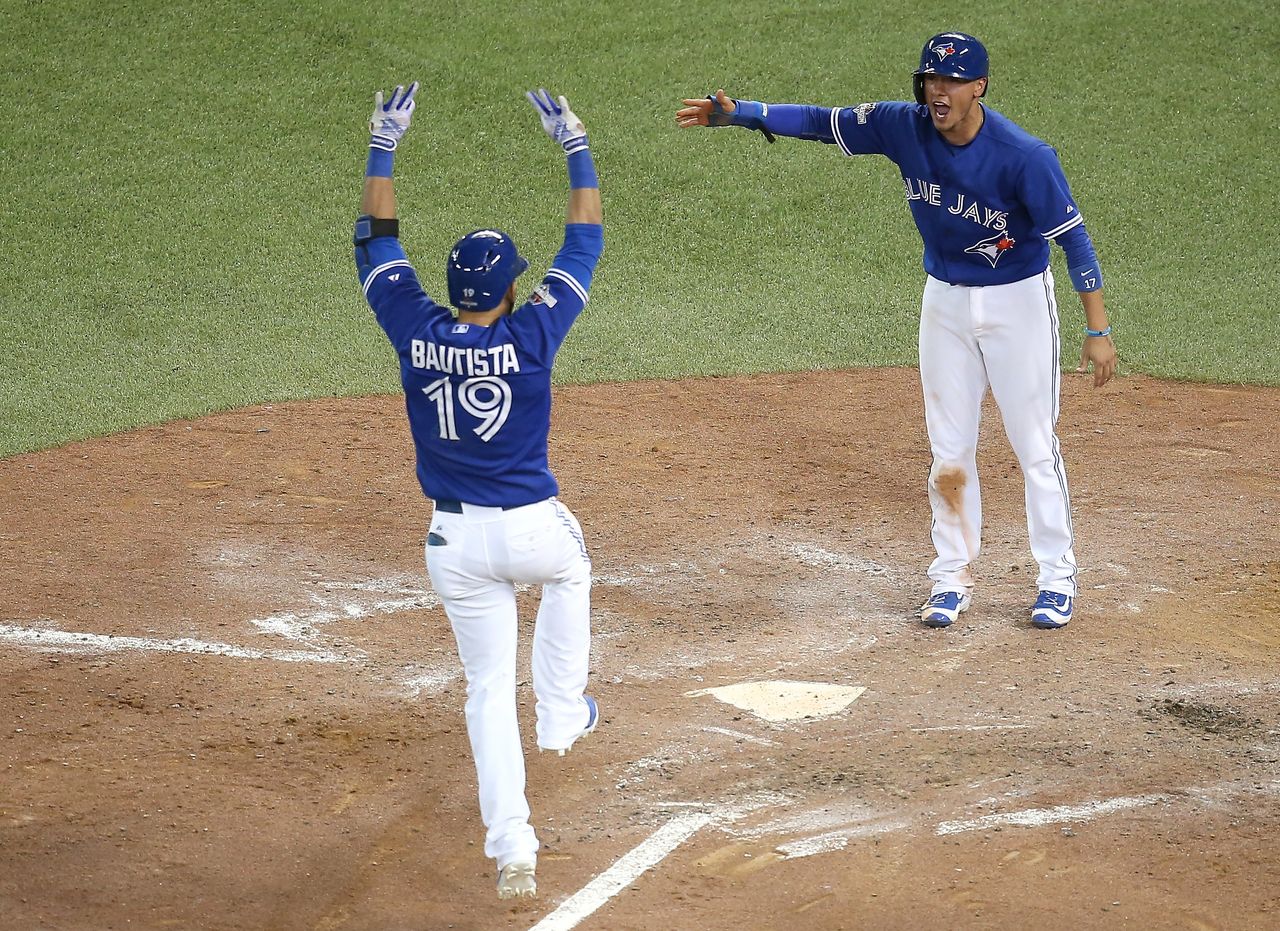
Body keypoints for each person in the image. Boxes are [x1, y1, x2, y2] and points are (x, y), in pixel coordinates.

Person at [676, 32, 1116, 631]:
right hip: (945, 303)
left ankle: (1057, 577)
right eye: (932, 79)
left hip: (1018, 304)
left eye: (952, 81)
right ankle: (950, 577)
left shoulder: (1024, 156)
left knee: (1035, 444)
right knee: (949, 452)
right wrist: (743, 115)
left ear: (978, 87)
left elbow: (1074, 239)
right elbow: (818, 120)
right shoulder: (900, 125)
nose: (939, 90)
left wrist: (1098, 327)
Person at [354, 82, 604, 900]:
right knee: (571, 572)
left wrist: (383, 144)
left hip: (454, 547)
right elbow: (584, 242)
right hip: (531, 530)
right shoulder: (532, 332)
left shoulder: (414, 328)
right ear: (505, 291)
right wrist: (575, 146)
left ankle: (513, 847)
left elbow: (375, 243)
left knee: (487, 690)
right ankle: (565, 714)